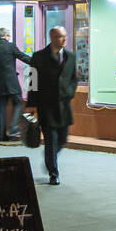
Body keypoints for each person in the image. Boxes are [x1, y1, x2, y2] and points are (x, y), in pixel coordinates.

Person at [24, 27, 77, 185]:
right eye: (61, 37)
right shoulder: (39, 56)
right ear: (53, 37)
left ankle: (49, 156)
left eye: (65, 36)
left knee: (63, 138)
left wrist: (70, 92)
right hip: (46, 105)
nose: (65, 39)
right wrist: (31, 104)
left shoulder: (70, 56)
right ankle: (53, 173)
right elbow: (32, 81)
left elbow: (73, 78)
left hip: (64, 106)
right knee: (51, 140)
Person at [0, 28, 32, 141]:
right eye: (9, 36)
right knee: (18, 102)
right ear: (7, 36)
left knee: (0, 108)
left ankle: (2, 136)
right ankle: (13, 127)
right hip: (12, 82)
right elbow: (23, 57)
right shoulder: (10, 46)